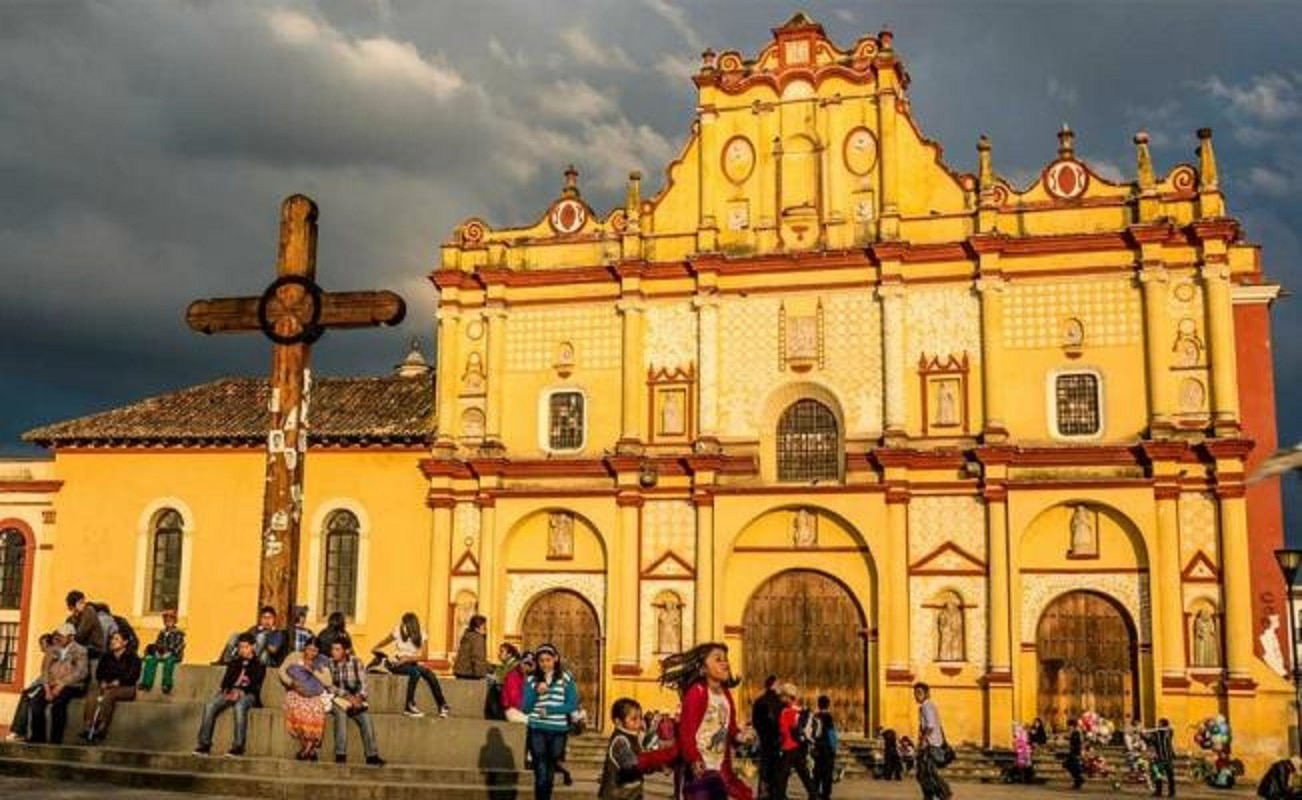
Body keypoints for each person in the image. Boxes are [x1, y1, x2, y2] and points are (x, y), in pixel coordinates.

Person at [659, 641, 754, 800]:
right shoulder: (697, 692)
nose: (725, 663)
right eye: (718, 659)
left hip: (720, 769)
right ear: (703, 669)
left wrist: (740, 736)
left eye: (726, 659)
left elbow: (729, 727)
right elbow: (686, 732)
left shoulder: (726, 694)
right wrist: (694, 758)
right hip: (699, 769)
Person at [523, 643, 580, 800]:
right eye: (541, 660)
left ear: (555, 659)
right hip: (537, 728)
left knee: (550, 769)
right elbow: (526, 708)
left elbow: (572, 704)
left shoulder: (566, 678)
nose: (545, 664)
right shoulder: (531, 679)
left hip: (558, 730)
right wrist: (535, 692)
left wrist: (550, 710)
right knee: (540, 770)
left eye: (548, 660)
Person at [194, 632, 266, 756]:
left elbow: (255, 684)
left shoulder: (259, 664)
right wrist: (228, 690)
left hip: (249, 695)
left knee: (239, 706)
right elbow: (225, 681)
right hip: (231, 692)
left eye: (245, 647)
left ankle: (238, 746)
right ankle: (204, 744)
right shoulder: (234, 662)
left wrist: (241, 691)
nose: (242, 650)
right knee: (210, 705)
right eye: (240, 647)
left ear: (253, 647)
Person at [599, 696, 679, 800]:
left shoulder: (634, 737)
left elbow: (642, 760)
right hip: (617, 795)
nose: (639, 722)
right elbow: (632, 764)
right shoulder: (620, 740)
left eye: (640, 718)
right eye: (633, 719)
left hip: (632, 794)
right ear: (618, 722)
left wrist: (660, 766)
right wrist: (658, 762)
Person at [371, 612, 449, 717]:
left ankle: (442, 705)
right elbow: (385, 641)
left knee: (429, 673)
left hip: (410, 662)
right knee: (415, 673)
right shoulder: (398, 630)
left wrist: (407, 659)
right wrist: (375, 648)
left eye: (404, 623)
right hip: (397, 663)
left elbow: (424, 657)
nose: (402, 625)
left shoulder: (421, 633)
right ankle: (409, 705)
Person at [326, 636, 385, 766]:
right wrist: (346, 696)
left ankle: (372, 755)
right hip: (338, 700)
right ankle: (340, 754)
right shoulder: (330, 663)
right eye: (333, 649)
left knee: (366, 719)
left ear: (346, 651)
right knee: (340, 716)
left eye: (337, 649)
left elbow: (364, 684)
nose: (333, 652)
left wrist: (359, 698)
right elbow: (329, 686)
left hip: (356, 699)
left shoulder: (356, 662)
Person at [27, 623, 89, 744]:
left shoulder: (80, 650)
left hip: (71, 685)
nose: (58, 638)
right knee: (36, 702)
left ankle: (55, 740)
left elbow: (81, 672)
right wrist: (47, 688)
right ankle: (38, 738)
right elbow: (44, 670)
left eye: (62, 636)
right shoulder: (52, 649)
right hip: (51, 684)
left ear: (71, 637)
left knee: (58, 704)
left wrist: (62, 684)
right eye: (58, 635)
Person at [81, 629, 141, 742]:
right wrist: (102, 681)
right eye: (112, 639)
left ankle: (102, 727)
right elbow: (99, 672)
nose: (112, 641)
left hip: (126, 687)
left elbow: (133, 675)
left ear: (125, 642)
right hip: (107, 685)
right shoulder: (106, 657)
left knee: (109, 694)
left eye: (116, 639)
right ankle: (88, 726)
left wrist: (119, 682)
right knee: (93, 694)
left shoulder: (133, 657)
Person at [278, 636, 332, 761]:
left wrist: (313, 670)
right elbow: (281, 671)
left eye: (314, 651)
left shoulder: (321, 661)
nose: (311, 653)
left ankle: (306, 750)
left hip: (314, 695)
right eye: (309, 649)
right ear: (304, 648)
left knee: (317, 711)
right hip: (295, 693)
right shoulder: (294, 656)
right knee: (298, 711)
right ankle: (310, 750)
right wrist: (291, 683)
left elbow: (328, 682)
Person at [5, 633, 55, 741]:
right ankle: (19, 731)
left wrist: (33, 685)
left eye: (42, 644)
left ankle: (19, 731)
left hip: (48, 685)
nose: (40, 647)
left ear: (48, 644)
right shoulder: (49, 654)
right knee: (27, 694)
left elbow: (45, 676)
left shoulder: (51, 654)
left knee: (27, 695)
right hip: (44, 683)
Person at [774, 683, 816, 800]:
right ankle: (813, 794)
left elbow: (783, 729)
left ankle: (780, 796)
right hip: (797, 746)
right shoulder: (799, 711)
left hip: (788, 746)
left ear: (788, 697)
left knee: (782, 775)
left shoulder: (787, 712)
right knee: (803, 773)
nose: (781, 698)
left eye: (783, 696)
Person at [913, 682, 951, 800]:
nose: (917, 696)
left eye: (919, 693)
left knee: (925, 773)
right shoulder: (928, 706)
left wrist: (923, 740)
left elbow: (930, 726)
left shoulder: (926, 706)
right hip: (933, 743)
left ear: (926, 694)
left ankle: (942, 793)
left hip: (930, 745)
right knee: (926, 773)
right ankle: (933, 795)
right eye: (915, 693)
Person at [215, 606, 286, 667]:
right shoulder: (254, 629)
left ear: (274, 619)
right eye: (264, 618)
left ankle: (250, 661)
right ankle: (226, 661)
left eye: (269, 618)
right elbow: (244, 639)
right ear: (260, 619)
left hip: (265, 659)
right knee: (235, 635)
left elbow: (273, 650)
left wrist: (266, 636)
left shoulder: (277, 633)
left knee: (262, 637)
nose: (267, 620)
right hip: (247, 652)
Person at [751, 675, 783, 800]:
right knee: (775, 768)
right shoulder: (778, 702)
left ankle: (763, 793)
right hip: (776, 738)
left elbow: (755, 720)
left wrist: (760, 732)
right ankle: (774, 793)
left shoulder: (759, 701)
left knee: (764, 767)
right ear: (773, 685)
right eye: (778, 684)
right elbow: (781, 721)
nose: (779, 686)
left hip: (764, 738)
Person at [138, 609, 186, 694]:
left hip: (174, 654)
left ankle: (166, 684)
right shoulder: (162, 632)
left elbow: (179, 646)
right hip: (161, 653)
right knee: (150, 661)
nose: (168, 621)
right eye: (166, 619)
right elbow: (158, 644)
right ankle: (147, 683)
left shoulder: (178, 633)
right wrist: (157, 652)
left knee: (169, 663)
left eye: (170, 619)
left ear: (175, 621)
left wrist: (170, 653)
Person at [65, 590, 105, 659]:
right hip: (83, 651)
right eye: (80, 603)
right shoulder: (70, 619)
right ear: (72, 606)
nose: (83, 605)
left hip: (94, 650)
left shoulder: (89, 611)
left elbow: (80, 635)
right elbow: (66, 634)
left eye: (83, 602)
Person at [812, 695, 837, 800]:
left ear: (818, 704)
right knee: (827, 772)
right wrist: (834, 746)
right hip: (827, 748)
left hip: (817, 747)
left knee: (817, 771)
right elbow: (831, 733)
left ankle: (814, 791)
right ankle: (826, 794)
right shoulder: (828, 717)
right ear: (828, 705)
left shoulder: (815, 716)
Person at [486, 642, 521, 720]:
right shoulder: (502, 666)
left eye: (502, 651)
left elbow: (509, 681)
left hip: (510, 700)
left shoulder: (516, 666)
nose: (499, 654)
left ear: (509, 654)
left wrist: (496, 679)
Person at [1146, 717, 1177, 797]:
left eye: (1160, 723)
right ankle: (1158, 792)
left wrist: (1164, 728)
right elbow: (1150, 741)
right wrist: (1144, 735)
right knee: (1158, 775)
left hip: (1167, 757)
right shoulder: (1155, 733)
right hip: (1159, 757)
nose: (1158, 725)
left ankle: (1171, 792)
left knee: (1170, 775)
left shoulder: (1168, 732)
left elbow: (1171, 730)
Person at [453, 614, 489, 679]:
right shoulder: (477, 638)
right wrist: (481, 676)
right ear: (477, 627)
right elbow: (478, 657)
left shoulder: (468, 636)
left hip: (461, 671)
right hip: (470, 673)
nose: (486, 628)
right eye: (484, 626)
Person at [503, 650, 533, 723]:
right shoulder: (513, 676)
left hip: (525, 711)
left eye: (529, 664)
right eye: (524, 663)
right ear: (520, 662)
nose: (526, 666)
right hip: (512, 711)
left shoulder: (530, 677)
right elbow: (515, 701)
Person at [1065, 717, 1085, 790]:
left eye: (1069, 726)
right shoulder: (1074, 732)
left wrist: (1081, 752)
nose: (1068, 727)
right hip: (1073, 752)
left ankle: (1079, 780)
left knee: (1070, 765)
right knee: (1070, 765)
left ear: (1072, 726)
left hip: (1076, 752)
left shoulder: (1077, 732)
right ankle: (1078, 780)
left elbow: (1079, 743)